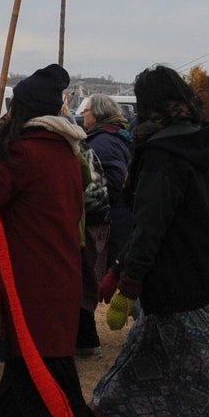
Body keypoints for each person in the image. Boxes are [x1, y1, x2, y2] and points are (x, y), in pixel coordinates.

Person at [93, 66, 209, 417]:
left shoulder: (163, 155)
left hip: (173, 286)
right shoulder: (204, 141)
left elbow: (151, 226)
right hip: (198, 274)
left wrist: (129, 278)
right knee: (117, 388)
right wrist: (119, 269)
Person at [0, 64, 113, 417]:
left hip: (30, 288)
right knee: (22, 383)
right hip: (57, 279)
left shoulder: (21, 154)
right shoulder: (65, 150)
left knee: (44, 385)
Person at [76, 95, 128, 358]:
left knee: (95, 277)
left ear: (97, 115)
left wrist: (100, 196)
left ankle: (86, 339)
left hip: (110, 218)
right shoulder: (114, 137)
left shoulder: (102, 143)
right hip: (115, 216)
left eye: (86, 111)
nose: (83, 116)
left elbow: (118, 181)